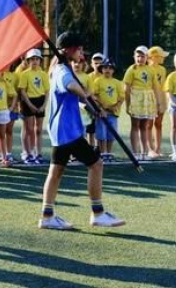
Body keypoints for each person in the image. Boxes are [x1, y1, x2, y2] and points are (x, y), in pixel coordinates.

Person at [38, 31, 124, 230]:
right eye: (80, 49)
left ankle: (47, 216)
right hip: (68, 131)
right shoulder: (62, 71)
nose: (82, 53)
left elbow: (69, 96)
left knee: (56, 171)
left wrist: (88, 106)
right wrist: (86, 96)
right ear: (71, 49)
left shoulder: (61, 68)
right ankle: (98, 213)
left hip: (61, 130)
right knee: (96, 165)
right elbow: (69, 87)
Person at [124, 46, 160, 161]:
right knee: (135, 126)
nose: (140, 58)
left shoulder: (150, 70)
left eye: (142, 56)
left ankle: (145, 152)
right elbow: (127, 88)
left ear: (147, 57)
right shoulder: (132, 69)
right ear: (134, 57)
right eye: (138, 56)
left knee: (144, 126)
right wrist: (128, 103)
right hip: (136, 98)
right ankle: (135, 153)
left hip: (147, 99)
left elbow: (155, 86)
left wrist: (158, 102)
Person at [18, 48, 49, 164]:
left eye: (37, 59)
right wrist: (30, 104)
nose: (35, 61)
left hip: (40, 101)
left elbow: (46, 91)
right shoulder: (24, 74)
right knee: (29, 129)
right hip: (28, 101)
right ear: (28, 61)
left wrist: (44, 105)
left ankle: (38, 153)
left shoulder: (43, 74)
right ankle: (28, 152)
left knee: (39, 129)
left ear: (40, 61)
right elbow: (23, 91)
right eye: (32, 59)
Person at [91, 59, 124, 162]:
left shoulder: (117, 83)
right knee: (101, 133)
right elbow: (94, 96)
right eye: (105, 68)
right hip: (102, 112)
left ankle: (108, 153)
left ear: (113, 70)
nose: (107, 70)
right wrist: (101, 108)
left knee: (111, 133)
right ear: (102, 69)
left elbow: (121, 97)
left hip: (113, 113)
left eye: (110, 68)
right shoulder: (98, 81)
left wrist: (116, 106)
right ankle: (102, 153)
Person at [146, 46, 169, 158]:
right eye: (161, 56)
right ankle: (149, 149)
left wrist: (163, 100)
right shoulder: (147, 69)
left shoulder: (162, 69)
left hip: (161, 99)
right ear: (154, 57)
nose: (163, 58)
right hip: (150, 100)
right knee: (148, 124)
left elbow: (163, 86)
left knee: (158, 124)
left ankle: (158, 148)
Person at [2, 63, 20, 164]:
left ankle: (8, 153)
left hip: (12, 108)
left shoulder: (14, 76)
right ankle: (1, 154)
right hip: (0, 107)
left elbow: (16, 92)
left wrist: (13, 107)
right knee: (0, 131)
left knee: (9, 130)